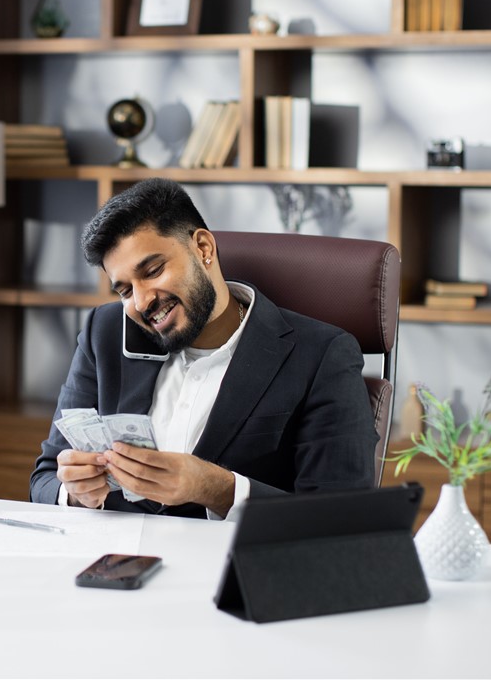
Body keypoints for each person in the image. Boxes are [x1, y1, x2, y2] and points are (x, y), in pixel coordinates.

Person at [29, 178, 377, 519]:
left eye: (152, 270)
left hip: (235, 567)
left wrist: (216, 488)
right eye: (124, 291)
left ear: (204, 249)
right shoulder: (104, 332)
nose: (142, 300)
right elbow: (44, 478)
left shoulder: (321, 355)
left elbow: (339, 518)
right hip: (117, 565)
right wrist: (75, 493)